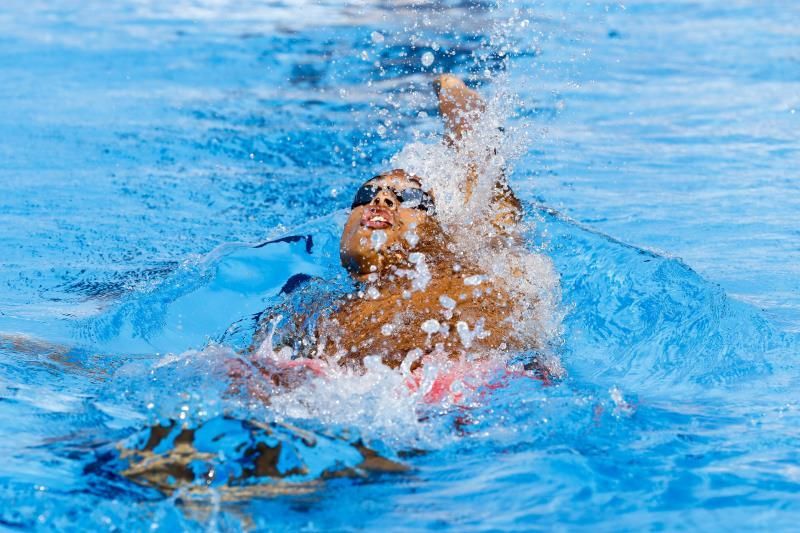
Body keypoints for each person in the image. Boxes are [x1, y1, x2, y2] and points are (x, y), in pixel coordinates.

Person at [237, 74, 560, 400]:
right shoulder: (311, 308)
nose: (381, 200)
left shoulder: (474, 261)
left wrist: (450, 88)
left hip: (474, 393)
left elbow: (480, 149)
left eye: (407, 198)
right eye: (367, 193)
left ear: (438, 230)